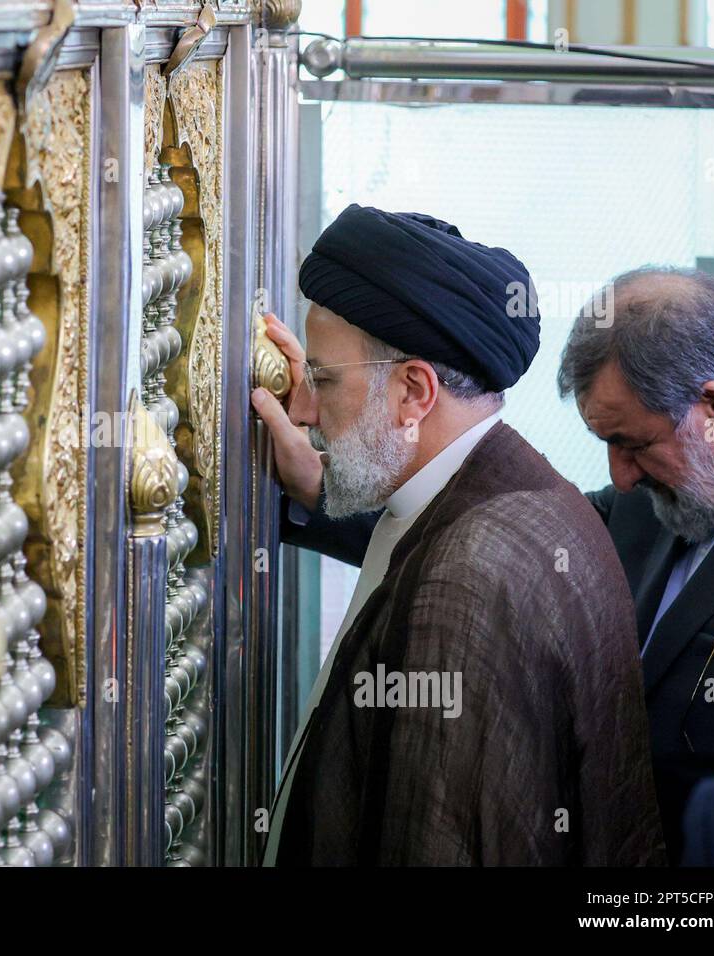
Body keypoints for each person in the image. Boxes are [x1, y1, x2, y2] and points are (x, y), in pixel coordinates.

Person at [254, 204, 665, 865]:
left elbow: (435, 840)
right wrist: (315, 484)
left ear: (414, 392)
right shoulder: (514, 495)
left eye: (323, 380)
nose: (301, 409)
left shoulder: (472, 574)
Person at [557, 267, 714, 863]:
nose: (621, 477)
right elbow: (502, 533)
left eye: (636, 444)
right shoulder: (643, 506)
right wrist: (313, 488)